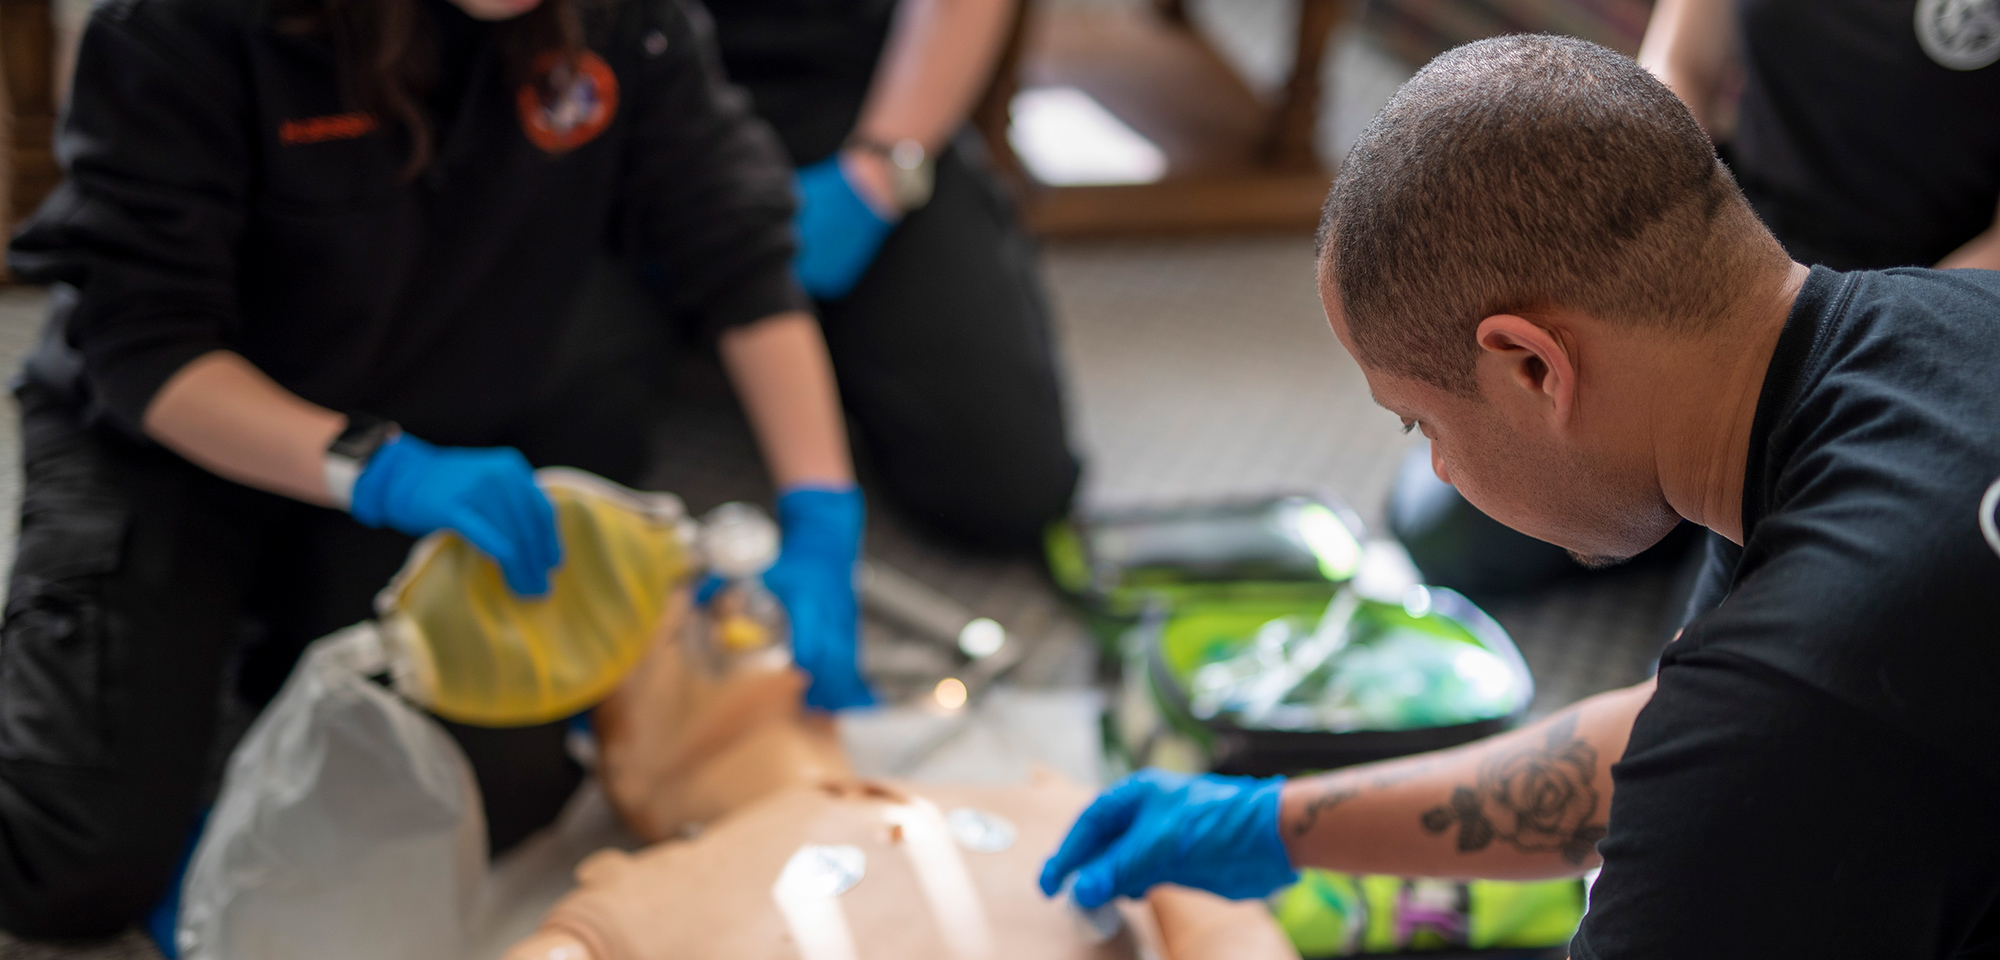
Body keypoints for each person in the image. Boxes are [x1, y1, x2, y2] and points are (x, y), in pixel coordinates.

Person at [1041, 35, 2000, 958]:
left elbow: (1725, 753)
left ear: (1532, 366)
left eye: (1421, 426)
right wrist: (1282, 821)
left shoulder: (1793, 707)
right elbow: (1659, 741)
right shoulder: (1917, 331)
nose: (1441, 473)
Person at [0, 0, 873, 939]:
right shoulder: (183, 26)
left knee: (488, 791)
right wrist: (375, 470)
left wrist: (822, 511)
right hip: (179, 441)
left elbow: (735, 245)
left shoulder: (628, 20)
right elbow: (142, 344)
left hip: (431, 429)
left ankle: (251, 674)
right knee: (74, 857)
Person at [1390, 0, 2000, 596]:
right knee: (1436, 528)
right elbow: (1680, 68)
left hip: (1892, 318)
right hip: (1724, 257)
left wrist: (1843, 350)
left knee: (1724, 648)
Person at [703, 0, 1082, 550]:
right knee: (572, 453)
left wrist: (881, 170)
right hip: (642, 99)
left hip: (857, 101)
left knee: (1004, 485)